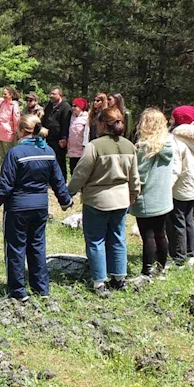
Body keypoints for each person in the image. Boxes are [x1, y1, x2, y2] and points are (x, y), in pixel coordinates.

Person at [0, 115, 73, 301]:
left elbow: (4, 186)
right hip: (40, 207)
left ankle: (18, 291)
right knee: (38, 246)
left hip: (17, 208)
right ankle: (41, 289)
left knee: (15, 248)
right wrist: (65, 201)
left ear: (21, 130)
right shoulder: (47, 151)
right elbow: (58, 180)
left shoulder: (15, 153)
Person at [68, 107, 140, 295]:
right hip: (121, 199)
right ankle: (119, 277)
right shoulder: (129, 146)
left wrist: (69, 192)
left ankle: (99, 281)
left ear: (101, 124)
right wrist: (134, 193)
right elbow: (134, 176)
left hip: (97, 200)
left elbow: (81, 173)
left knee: (95, 240)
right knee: (117, 238)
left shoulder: (95, 146)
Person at [129, 108, 174, 277]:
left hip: (146, 197)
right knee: (160, 234)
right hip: (163, 197)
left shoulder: (145, 147)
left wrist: (132, 193)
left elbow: (140, 176)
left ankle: (146, 271)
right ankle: (161, 269)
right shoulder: (168, 143)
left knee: (147, 235)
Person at [167, 105, 194, 266]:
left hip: (179, 185)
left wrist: (166, 187)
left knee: (176, 221)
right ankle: (191, 253)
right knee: (188, 219)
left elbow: (175, 167)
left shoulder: (176, 139)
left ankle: (178, 257)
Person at [42, 87, 71, 179]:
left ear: (60, 95)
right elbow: (45, 119)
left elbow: (66, 123)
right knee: (49, 160)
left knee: (60, 160)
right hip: (49, 138)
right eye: (51, 94)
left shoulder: (65, 107)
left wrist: (64, 138)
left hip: (59, 139)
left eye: (54, 94)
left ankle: (62, 180)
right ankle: (51, 180)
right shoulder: (49, 106)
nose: (51, 96)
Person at [0, 87, 21, 164]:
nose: (3, 95)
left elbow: (17, 121)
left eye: (5, 94)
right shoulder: (3, 102)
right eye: (3, 94)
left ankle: (10, 173)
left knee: (8, 155)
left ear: (11, 95)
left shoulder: (14, 105)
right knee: (2, 156)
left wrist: (17, 133)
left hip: (8, 135)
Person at [67, 97, 89, 175]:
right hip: (72, 149)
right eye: (72, 106)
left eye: (75, 106)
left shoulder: (87, 117)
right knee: (73, 170)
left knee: (81, 172)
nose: (73, 108)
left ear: (81, 107)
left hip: (81, 149)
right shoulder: (71, 117)